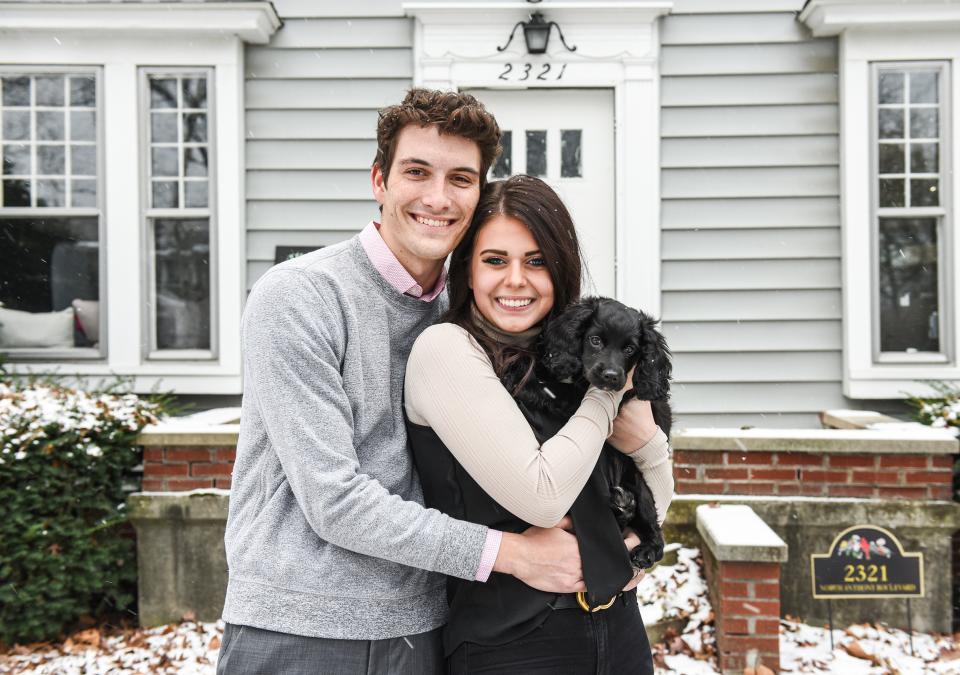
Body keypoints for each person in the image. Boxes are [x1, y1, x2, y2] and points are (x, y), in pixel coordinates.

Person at [216, 89, 657, 674]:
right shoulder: (300, 297)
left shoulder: (475, 313)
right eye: (417, 172)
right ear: (379, 180)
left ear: (478, 196)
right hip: (304, 626)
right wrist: (513, 554)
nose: (437, 197)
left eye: (460, 179)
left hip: (424, 626)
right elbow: (334, 499)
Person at [404, 175, 674, 673]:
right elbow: (544, 496)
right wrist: (608, 395)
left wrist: (649, 452)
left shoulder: (569, 357)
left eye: (535, 261)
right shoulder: (447, 350)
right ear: (466, 268)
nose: (515, 280)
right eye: (494, 260)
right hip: (514, 644)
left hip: (618, 631)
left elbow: (655, 499)